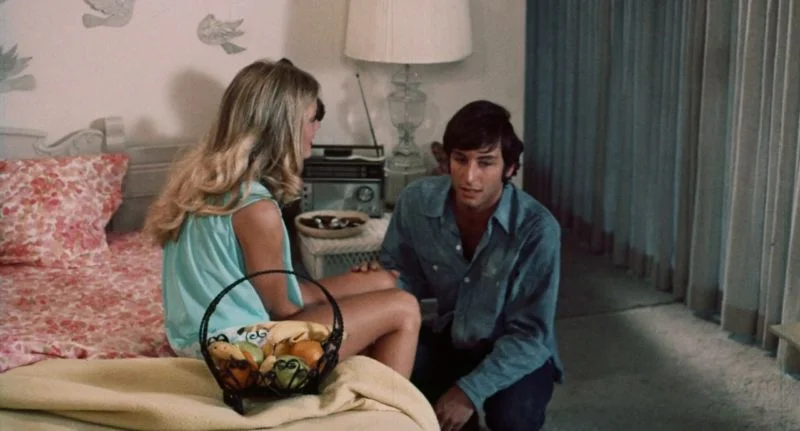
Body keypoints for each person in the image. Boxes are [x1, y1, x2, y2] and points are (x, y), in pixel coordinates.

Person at [143, 58, 421, 378]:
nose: (317, 129)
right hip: (240, 358)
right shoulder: (255, 208)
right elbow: (285, 307)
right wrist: (360, 285)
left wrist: (367, 284)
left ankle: (359, 396)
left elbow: (272, 291)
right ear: (282, 128)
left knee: (379, 294)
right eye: (311, 119)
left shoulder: (199, 187)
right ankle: (382, 408)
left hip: (194, 346)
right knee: (403, 307)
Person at [376, 100, 564, 430]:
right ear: (447, 160)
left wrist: (468, 391)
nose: (469, 176)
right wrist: (378, 281)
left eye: (485, 162)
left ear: (509, 169)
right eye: (460, 160)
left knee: (515, 416)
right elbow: (401, 276)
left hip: (513, 347)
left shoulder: (537, 228)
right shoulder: (415, 201)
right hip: (446, 335)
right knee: (398, 391)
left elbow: (531, 334)